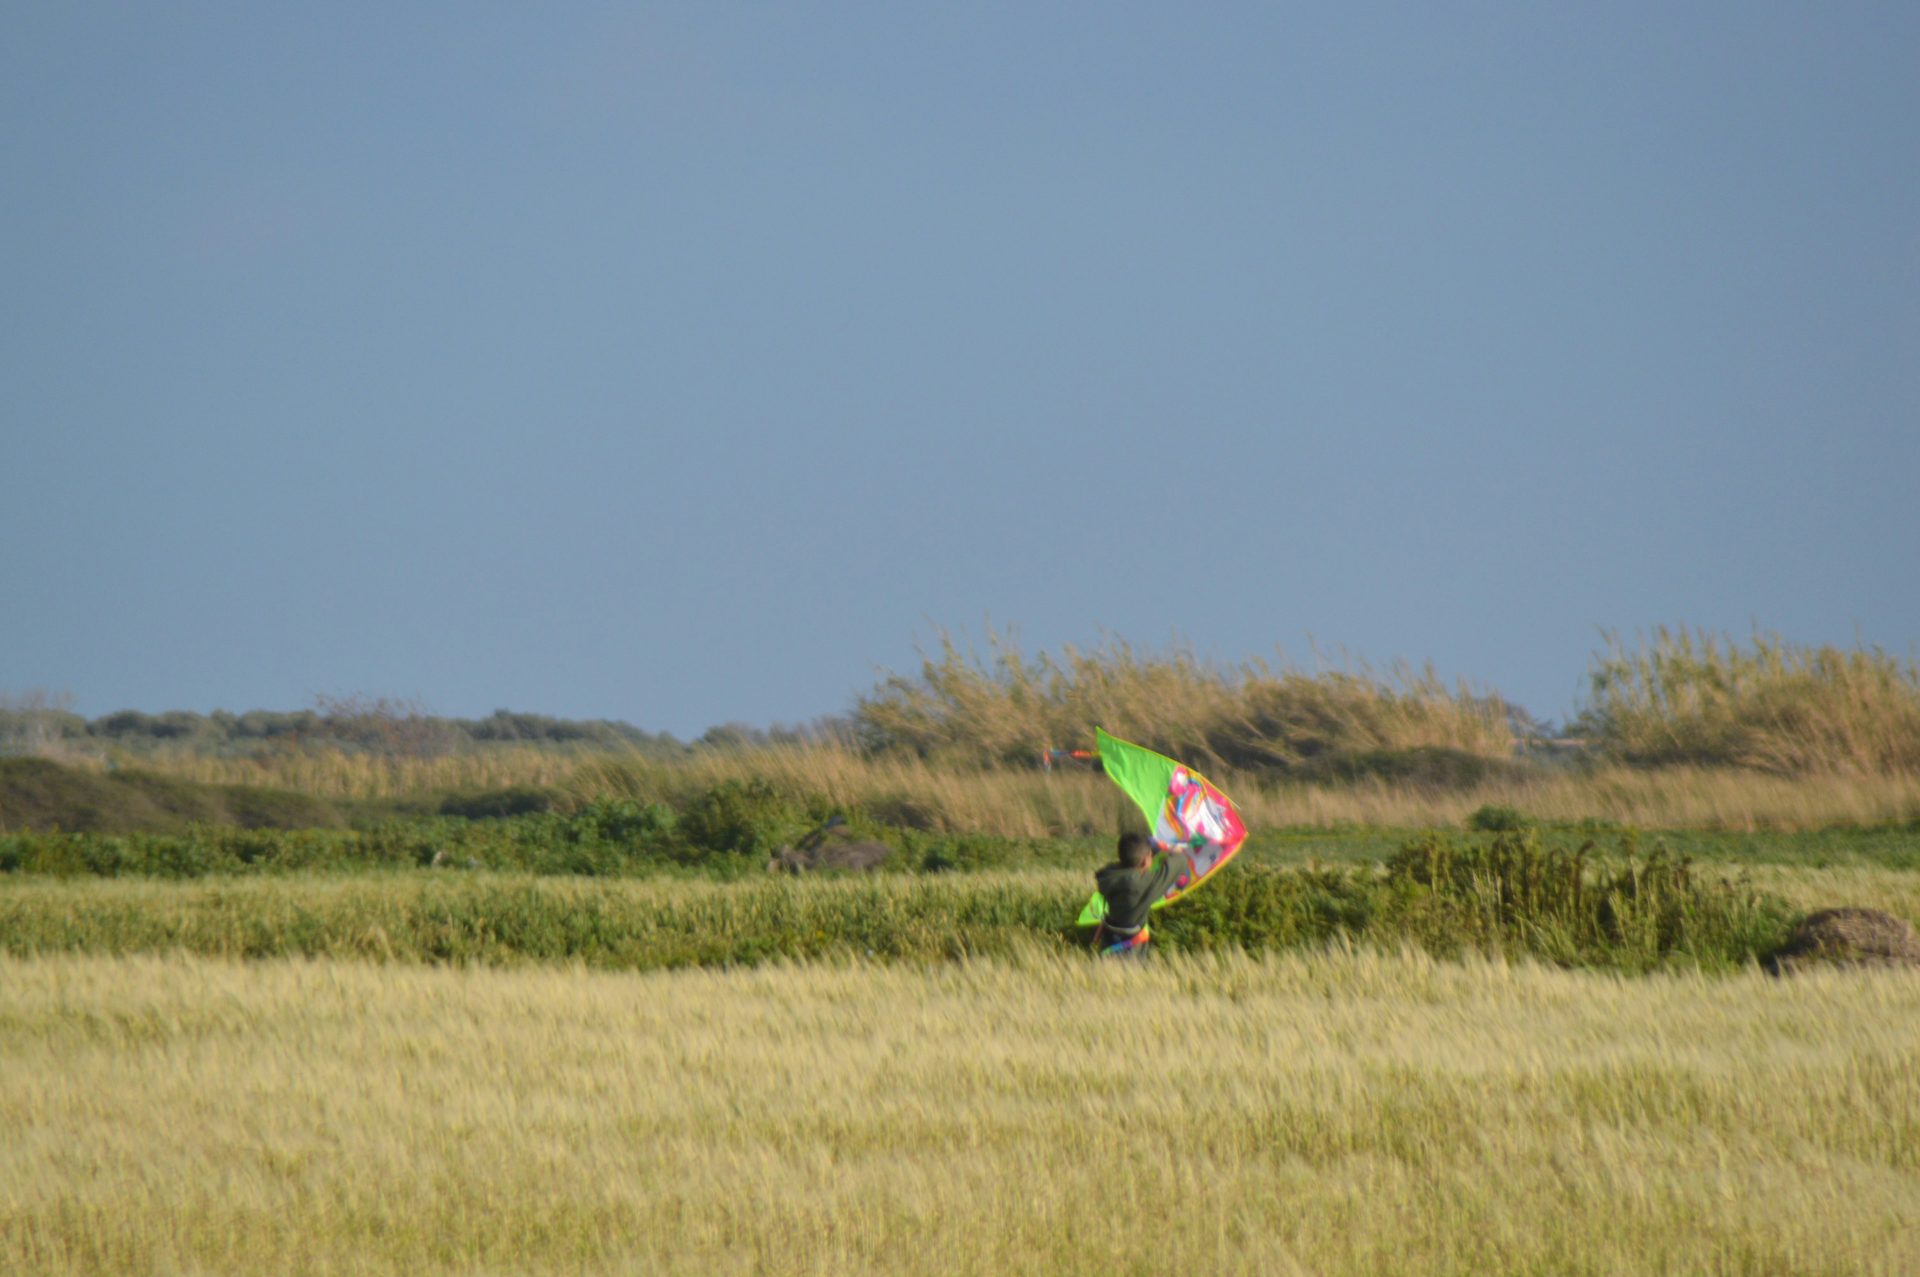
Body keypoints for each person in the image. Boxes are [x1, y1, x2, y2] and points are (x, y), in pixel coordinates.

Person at [1092, 832, 1192, 957]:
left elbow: (1133, 862)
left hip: (1109, 942)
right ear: (1145, 861)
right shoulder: (1139, 886)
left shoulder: (1110, 874)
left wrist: (1153, 849)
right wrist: (1174, 850)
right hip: (1131, 953)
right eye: (1150, 855)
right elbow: (1179, 863)